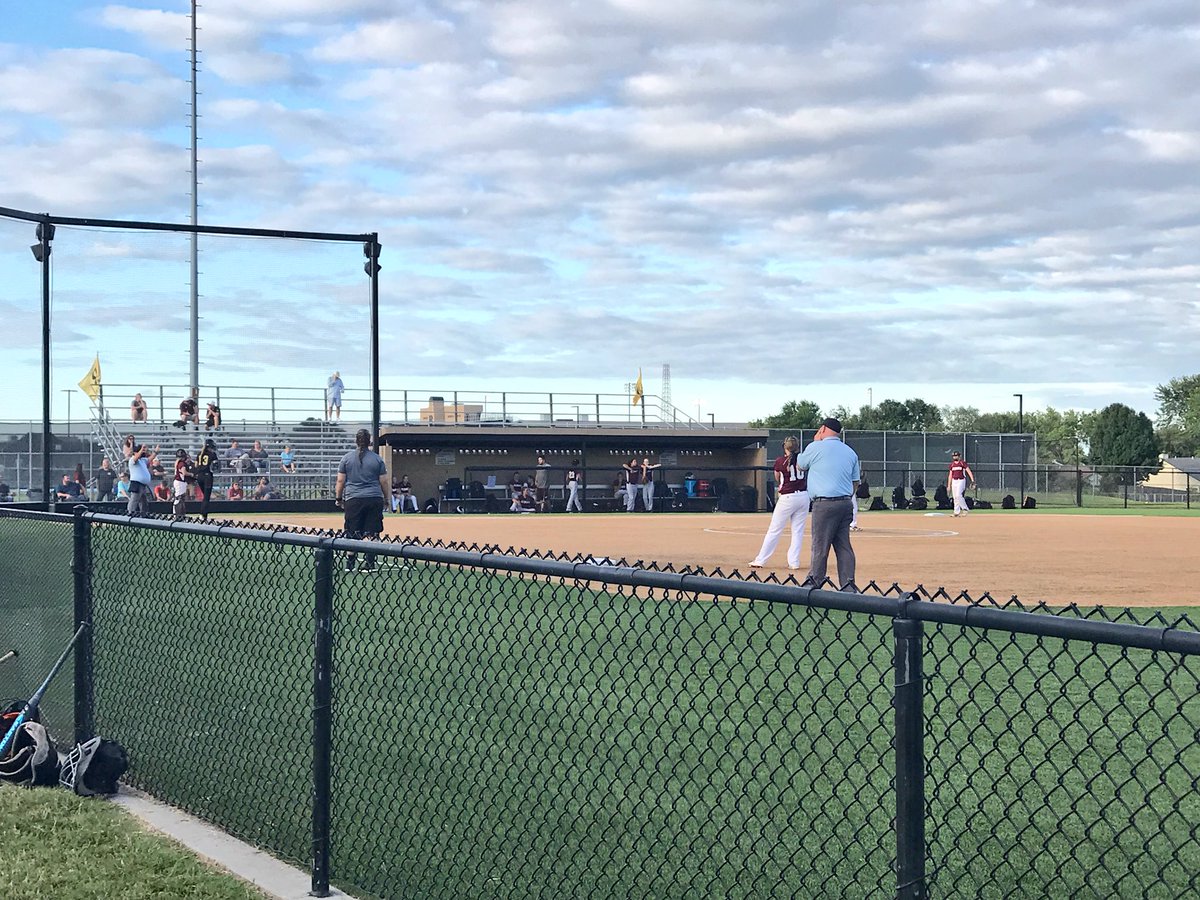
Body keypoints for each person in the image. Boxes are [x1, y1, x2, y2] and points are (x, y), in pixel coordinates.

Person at [794, 418, 860, 591]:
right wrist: (847, 496)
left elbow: (800, 465)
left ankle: (814, 581)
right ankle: (848, 585)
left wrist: (815, 441)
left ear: (823, 429)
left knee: (820, 545)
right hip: (845, 503)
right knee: (844, 546)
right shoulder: (850, 451)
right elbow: (855, 482)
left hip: (824, 504)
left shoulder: (816, 447)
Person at [748, 436, 810, 571]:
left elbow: (777, 478)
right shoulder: (802, 459)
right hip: (803, 496)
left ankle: (760, 559)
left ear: (784, 447)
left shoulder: (780, 461)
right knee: (797, 531)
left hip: (787, 497)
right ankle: (794, 562)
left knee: (774, 530)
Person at [335, 428, 388, 572]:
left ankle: (350, 563)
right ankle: (370, 562)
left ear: (356, 441)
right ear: (369, 441)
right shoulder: (377, 459)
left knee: (352, 531)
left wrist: (339, 498)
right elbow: (384, 481)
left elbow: (340, 481)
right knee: (373, 531)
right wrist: (386, 498)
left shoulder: (346, 458)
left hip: (353, 499)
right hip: (374, 498)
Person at [123, 435, 152, 516]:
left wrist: (156, 452)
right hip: (136, 483)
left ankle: (144, 514)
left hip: (142, 484)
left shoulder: (142, 460)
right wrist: (141, 450)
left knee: (143, 500)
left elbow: (150, 459)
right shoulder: (133, 460)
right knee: (134, 499)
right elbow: (136, 456)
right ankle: (130, 512)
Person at [193, 438, 219, 521]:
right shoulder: (212, 454)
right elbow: (215, 466)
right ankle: (203, 514)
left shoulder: (199, 454)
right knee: (206, 497)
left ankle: (204, 513)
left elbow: (196, 466)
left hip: (199, 476)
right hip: (207, 476)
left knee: (205, 496)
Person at [948, 451, 976, 517]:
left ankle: (965, 509)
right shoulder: (952, 465)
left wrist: (972, 480)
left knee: (958, 495)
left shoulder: (962, 463)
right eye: (954, 456)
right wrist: (949, 485)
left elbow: (969, 471)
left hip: (961, 480)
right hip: (954, 481)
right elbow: (950, 475)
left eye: (956, 456)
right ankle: (956, 512)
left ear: (959, 456)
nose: (955, 457)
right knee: (955, 497)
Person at [172, 448, 193, 519]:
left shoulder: (177, 462)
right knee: (179, 498)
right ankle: (178, 514)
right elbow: (184, 473)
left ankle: (178, 513)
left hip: (179, 481)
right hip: (180, 482)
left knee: (179, 497)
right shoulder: (181, 463)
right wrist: (191, 474)